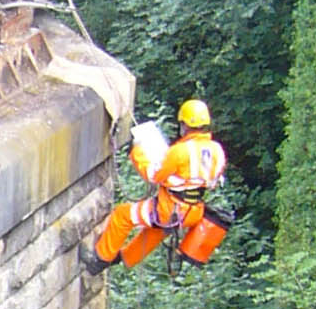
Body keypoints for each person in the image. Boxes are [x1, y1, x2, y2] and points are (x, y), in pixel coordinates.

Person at [84, 99, 227, 274]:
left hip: (170, 209)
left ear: (184, 124)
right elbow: (211, 181)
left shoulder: (180, 151)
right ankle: (125, 257)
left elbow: (153, 175)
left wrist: (136, 152)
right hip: (194, 212)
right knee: (157, 229)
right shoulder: (217, 151)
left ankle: (100, 260)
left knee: (123, 215)